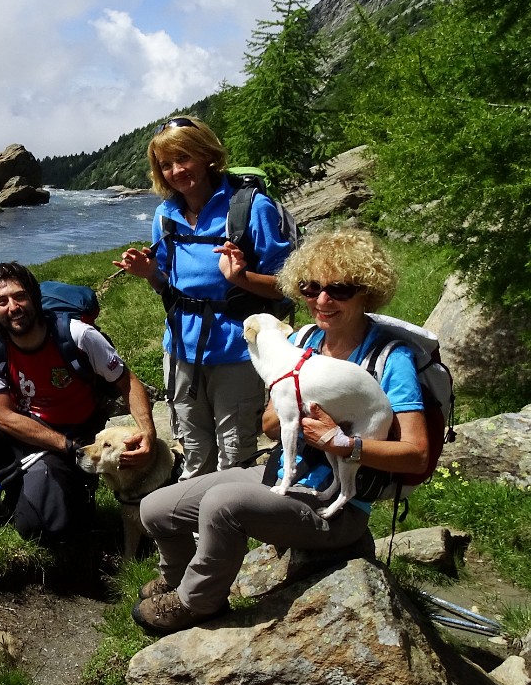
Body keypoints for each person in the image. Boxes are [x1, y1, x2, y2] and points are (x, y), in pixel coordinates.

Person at [131, 228, 429, 635]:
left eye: (339, 290)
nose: (321, 301)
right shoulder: (303, 340)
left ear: (367, 293)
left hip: (340, 506)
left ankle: (198, 602)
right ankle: (179, 576)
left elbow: (416, 454)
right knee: (156, 509)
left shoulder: (391, 360)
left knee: (223, 503)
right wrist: (292, 416)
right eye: (310, 288)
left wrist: (342, 442)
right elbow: (270, 425)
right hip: (282, 477)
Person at [114, 115, 294, 479]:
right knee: (193, 450)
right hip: (181, 349)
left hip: (239, 350)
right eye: (165, 164)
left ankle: (232, 528)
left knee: (235, 453)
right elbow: (169, 286)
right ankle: (195, 531)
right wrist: (150, 273)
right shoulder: (165, 215)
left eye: (184, 159)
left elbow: (288, 285)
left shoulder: (251, 208)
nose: (176, 171)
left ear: (207, 155)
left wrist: (241, 277)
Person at [0, 261, 157, 546]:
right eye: (2, 301)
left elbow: (127, 382)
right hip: (28, 429)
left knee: (39, 528)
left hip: (74, 433)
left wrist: (148, 435)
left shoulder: (78, 336)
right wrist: (62, 446)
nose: (13, 307)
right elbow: (4, 417)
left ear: (34, 297)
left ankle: (66, 489)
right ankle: (21, 485)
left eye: (20, 296)